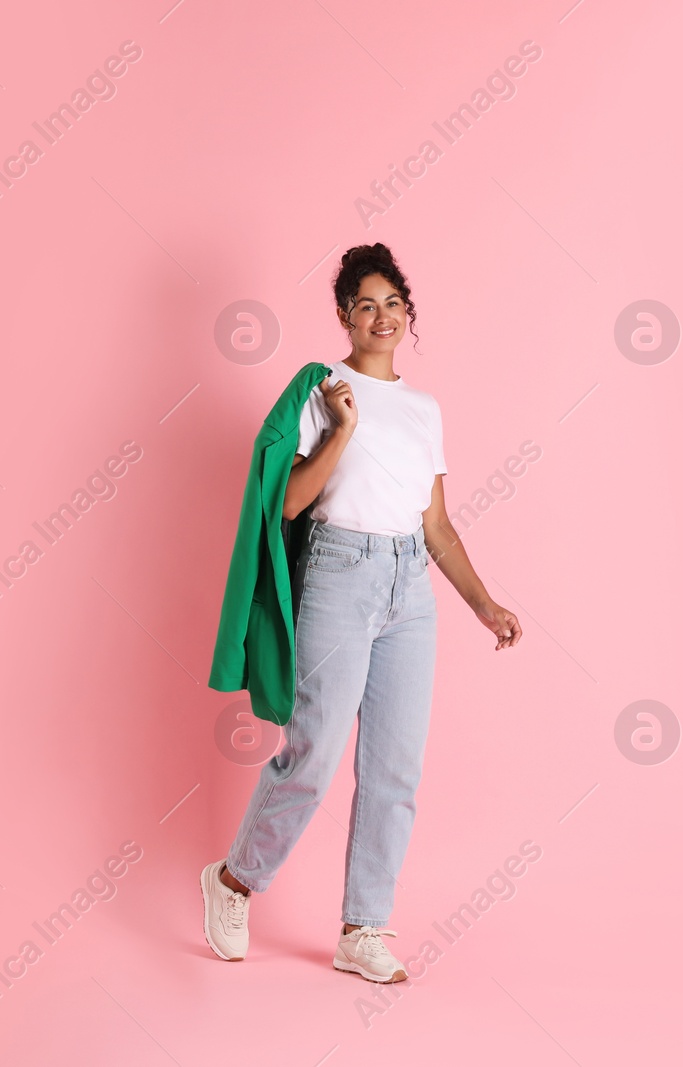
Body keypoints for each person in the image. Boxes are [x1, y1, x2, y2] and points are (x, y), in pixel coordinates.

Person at [200, 243, 522, 983]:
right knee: (312, 752)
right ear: (344, 317)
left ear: (409, 313)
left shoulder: (423, 408)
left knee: (395, 768)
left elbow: (436, 523)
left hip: (410, 585)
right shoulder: (325, 391)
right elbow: (285, 502)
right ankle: (234, 880)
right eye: (365, 305)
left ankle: (363, 927)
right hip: (340, 574)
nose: (382, 316)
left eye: (392, 302)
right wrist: (340, 431)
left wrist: (484, 603)